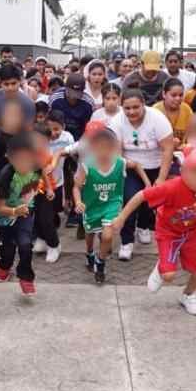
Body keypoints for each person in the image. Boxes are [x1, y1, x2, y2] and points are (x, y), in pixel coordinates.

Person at [113, 148, 196, 316]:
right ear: (183, 171)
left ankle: (188, 296)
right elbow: (141, 195)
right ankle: (163, 265)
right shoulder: (171, 187)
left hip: (194, 232)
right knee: (169, 275)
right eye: (195, 172)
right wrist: (121, 218)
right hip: (169, 232)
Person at [73, 121, 147, 284]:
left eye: (108, 147)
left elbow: (137, 165)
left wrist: (148, 185)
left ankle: (101, 262)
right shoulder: (87, 166)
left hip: (112, 205)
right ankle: (89, 252)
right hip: (92, 205)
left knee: (107, 236)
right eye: (100, 148)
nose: (104, 151)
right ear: (93, 148)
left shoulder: (119, 162)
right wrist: (78, 201)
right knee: (90, 234)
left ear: (113, 147)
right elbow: (76, 187)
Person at [109, 89, 174, 260]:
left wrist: (161, 178)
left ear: (144, 104)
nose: (131, 112)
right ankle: (127, 241)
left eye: (135, 107)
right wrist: (124, 166)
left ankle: (144, 226)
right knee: (129, 199)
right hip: (129, 166)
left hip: (155, 165)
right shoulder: (116, 121)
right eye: (127, 108)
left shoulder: (158, 119)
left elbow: (168, 149)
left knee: (150, 200)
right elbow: (116, 152)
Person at [0, 133, 46, 295]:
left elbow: (43, 173)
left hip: (26, 213)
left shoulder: (36, 166)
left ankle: (26, 278)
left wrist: (49, 189)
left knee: (25, 245)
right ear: (9, 158)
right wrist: (15, 211)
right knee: (8, 250)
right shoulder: (5, 176)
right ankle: (3, 266)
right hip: (7, 216)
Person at [33, 111, 75, 261]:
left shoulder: (67, 138)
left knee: (47, 217)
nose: (54, 133)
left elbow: (69, 154)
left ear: (63, 127)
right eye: (51, 129)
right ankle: (42, 239)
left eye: (58, 129)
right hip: (34, 186)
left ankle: (54, 244)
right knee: (37, 216)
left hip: (55, 183)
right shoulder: (38, 138)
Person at [0, 63, 36, 137]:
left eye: (13, 83)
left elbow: (28, 129)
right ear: (0, 83)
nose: (10, 87)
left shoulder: (28, 103)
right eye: (6, 84)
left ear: (20, 81)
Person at [48, 73, 94, 141]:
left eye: (78, 92)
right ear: (66, 87)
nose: (74, 95)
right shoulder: (55, 99)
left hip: (80, 138)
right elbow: (49, 121)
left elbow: (88, 127)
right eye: (72, 91)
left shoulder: (88, 103)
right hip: (57, 137)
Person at [153, 78, 193, 148]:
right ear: (164, 94)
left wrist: (184, 146)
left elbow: (192, 136)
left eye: (180, 95)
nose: (178, 98)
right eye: (173, 95)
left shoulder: (187, 109)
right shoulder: (155, 110)